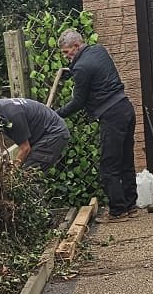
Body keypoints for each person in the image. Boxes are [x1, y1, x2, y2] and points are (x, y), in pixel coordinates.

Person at [58, 30, 138, 216]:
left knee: (108, 166)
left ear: (76, 46)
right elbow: (94, 71)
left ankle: (118, 211)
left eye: (67, 52)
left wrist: (56, 114)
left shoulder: (81, 68)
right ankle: (130, 205)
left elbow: (78, 102)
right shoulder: (99, 50)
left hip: (112, 116)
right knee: (126, 161)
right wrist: (71, 73)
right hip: (126, 108)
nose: (66, 56)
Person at [0, 96, 69, 174]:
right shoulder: (0, 107)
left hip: (54, 133)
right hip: (45, 131)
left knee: (28, 173)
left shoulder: (10, 115)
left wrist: (12, 173)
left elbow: (25, 148)